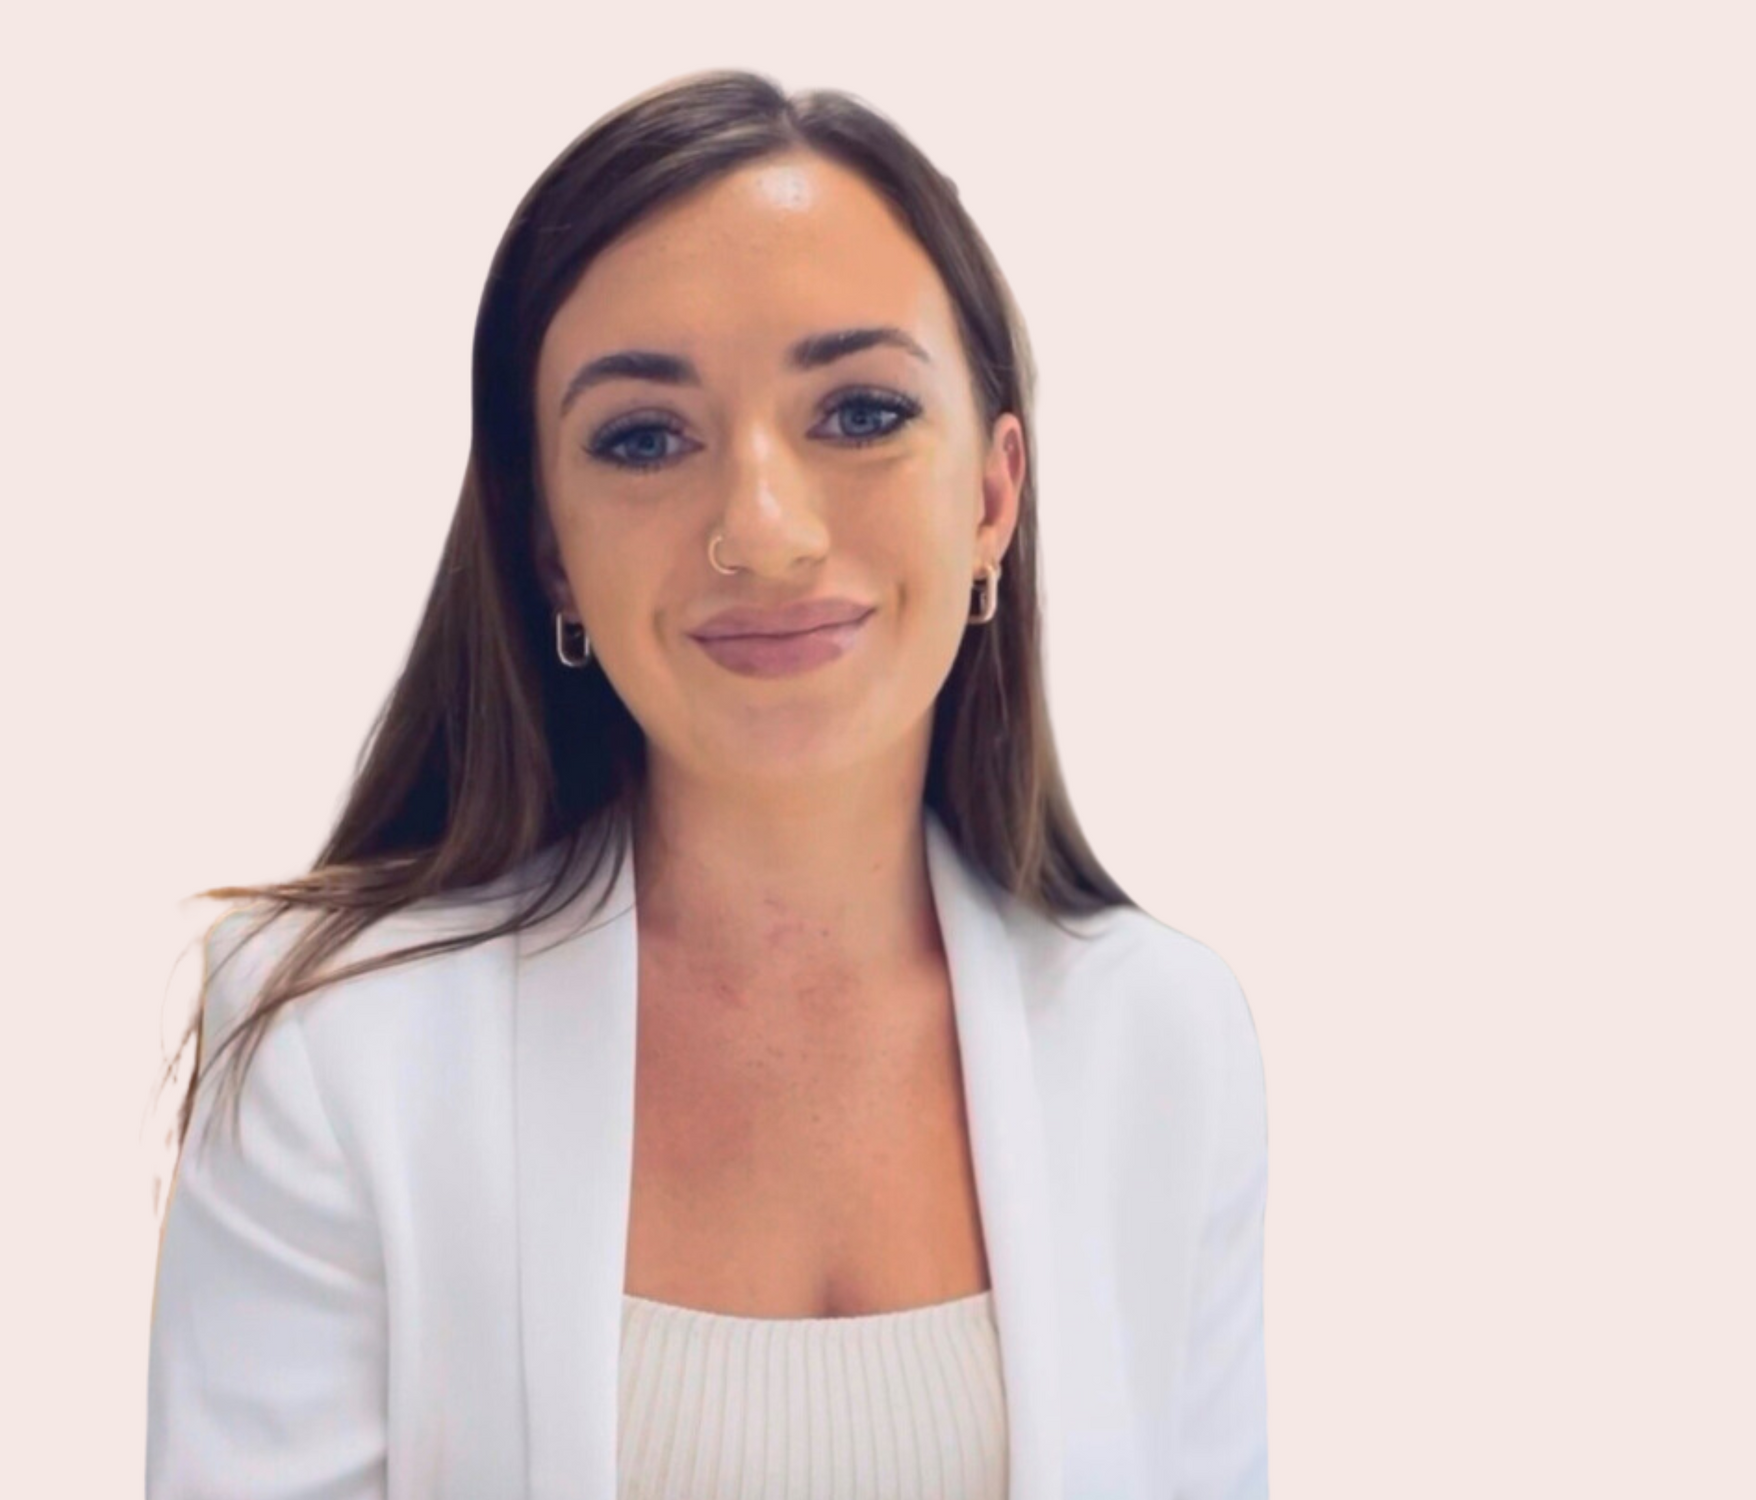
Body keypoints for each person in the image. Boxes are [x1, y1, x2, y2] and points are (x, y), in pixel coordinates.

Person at [147, 68, 1269, 1500]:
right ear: (547, 542)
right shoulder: (332, 1051)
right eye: (643, 439)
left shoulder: (1166, 1043)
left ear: (993, 497)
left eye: (859, 413)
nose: (764, 528)